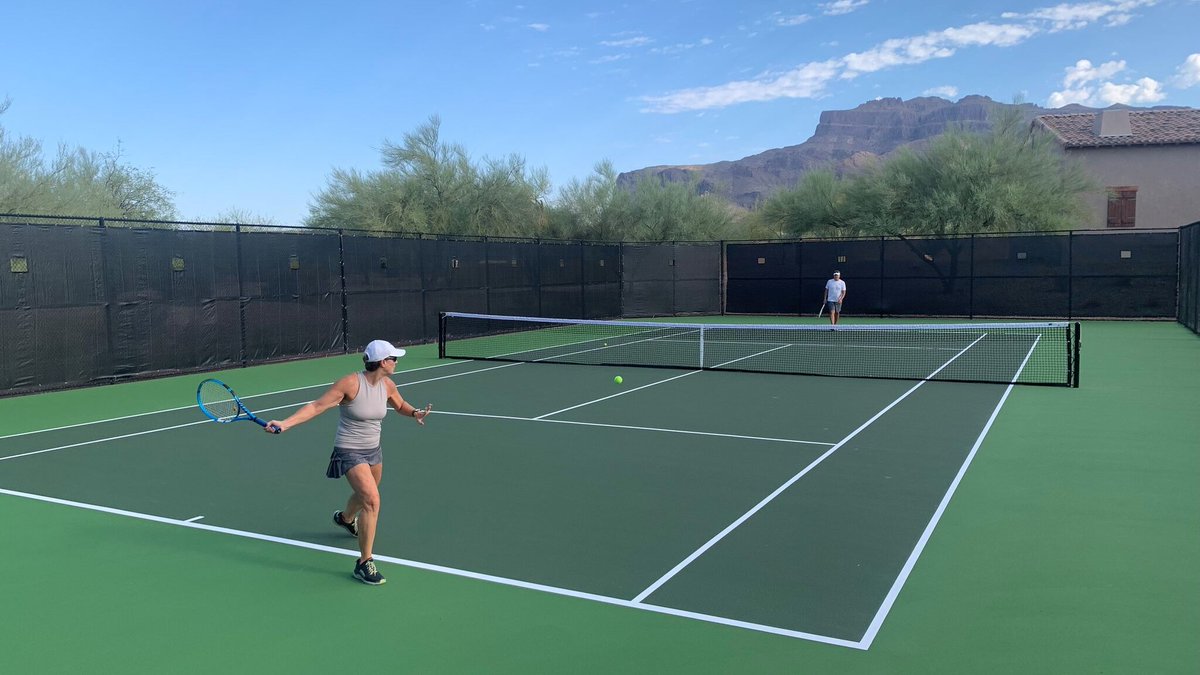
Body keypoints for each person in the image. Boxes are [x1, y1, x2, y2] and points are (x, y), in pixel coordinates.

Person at [266, 339, 431, 586]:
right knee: (372, 500)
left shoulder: (387, 385)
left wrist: (414, 413)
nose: (396, 362)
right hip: (349, 450)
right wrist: (286, 423)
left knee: (367, 495)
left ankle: (345, 519)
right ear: (383, 362)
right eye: (393, 359)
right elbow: (316, 406)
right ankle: (364, 563)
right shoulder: (351, 383)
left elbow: (399, 405)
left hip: (373, 450)